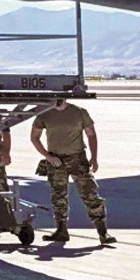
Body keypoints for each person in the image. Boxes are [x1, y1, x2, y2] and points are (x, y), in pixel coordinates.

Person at [30, 98, 117, 244]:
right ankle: (61, 230)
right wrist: (47, 156)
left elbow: (91, 135)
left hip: (77, 159)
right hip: (56, 161)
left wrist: (94, 157)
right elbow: (34, 137)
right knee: (58, 197)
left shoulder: (79, 112)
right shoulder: (44, 114)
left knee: (90, 193)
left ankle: (103, 232)